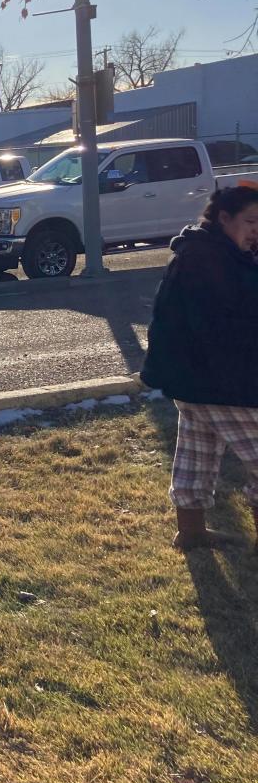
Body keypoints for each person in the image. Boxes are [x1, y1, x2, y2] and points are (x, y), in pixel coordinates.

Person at [141, 183, 258, 550]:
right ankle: (191, 532)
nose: (256, 230)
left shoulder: (213, 252)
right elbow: (227, 327)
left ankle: (190, 532)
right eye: (251, 221)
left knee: (197, 451)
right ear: (224, 218)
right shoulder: (207, 260)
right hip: (219, 381)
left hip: (192, 381)